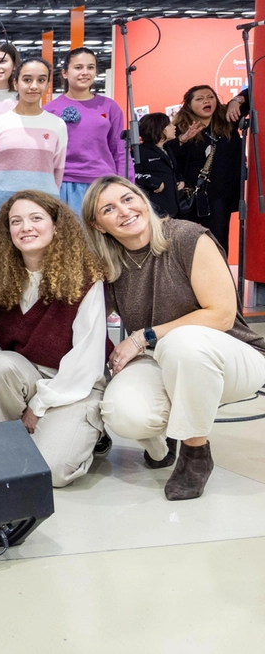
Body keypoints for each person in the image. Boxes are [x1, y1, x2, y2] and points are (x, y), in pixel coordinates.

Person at [83, 176, 265, 500]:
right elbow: (80, 315)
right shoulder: (109, 264)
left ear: (142, 199)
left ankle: (195, 452)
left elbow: (221, 315)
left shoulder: (186, 236)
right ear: (98, 225)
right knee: (121, 412)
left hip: (231, 354)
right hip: (160, 360)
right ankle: (161, 446)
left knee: (183, 342)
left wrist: (143, 336)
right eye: (109, 209)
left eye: (128, 199)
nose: (124, 211)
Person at [0, 190, 109, 488]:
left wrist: (39, 406)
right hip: (27, 375)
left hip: (76, 381)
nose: (26, 227)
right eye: (16, 221)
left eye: (36, 218)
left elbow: (86, 360)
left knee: (53, 472)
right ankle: (6, 440)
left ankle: (91, 432)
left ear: (57, 226)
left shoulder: (85, 275)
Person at [43, 48, 129, 214]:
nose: (85, 72)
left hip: (103, 184)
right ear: (65, 73)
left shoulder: (110, 107)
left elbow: (119, 150)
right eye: (78, 67)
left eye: (90, 67)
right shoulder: (50, 110)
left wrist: (126, 184)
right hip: (65, 183)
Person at [0, 58, 66, 225]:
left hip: (43, 208)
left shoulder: (57, 125)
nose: (34, 86)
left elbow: (57, 170)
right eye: (27, 80)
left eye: (41, 80)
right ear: (15, 82)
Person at [168, 85, 243, 252]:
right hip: (188, 196)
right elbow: (166, 157)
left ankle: (217, 278)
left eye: (210, 97)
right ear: (188, 104)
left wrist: (236, 101)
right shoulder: (178, 129)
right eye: (199, 99)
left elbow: (251, 94)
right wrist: (181, 140)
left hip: (219, 196)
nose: (206, 101)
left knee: (218, 245)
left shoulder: (228, 123)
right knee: (186, 246)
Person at [135, 112, 182, 218]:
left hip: (173, 208)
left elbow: (172, 169)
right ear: (159, 129)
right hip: (155, 211)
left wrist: (180, 179)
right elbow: (131, 174)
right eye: (169, 124)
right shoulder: (139, 151)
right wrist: (151, 181)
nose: (174, 127)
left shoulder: (167, 149)